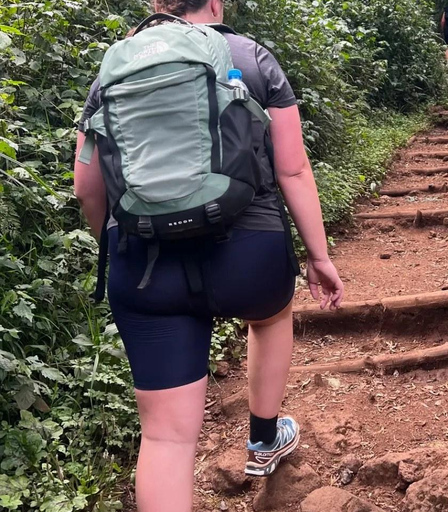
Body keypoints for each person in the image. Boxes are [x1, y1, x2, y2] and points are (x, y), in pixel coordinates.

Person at [73, 0, 344, 511]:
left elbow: (86, 188)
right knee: (270, 317)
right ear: (216, 3)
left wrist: (121, 244)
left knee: (165, 438)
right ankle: (264, 438)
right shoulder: (251, 57)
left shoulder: (116, 67)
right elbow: (292, 169)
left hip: (146, 268)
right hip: (250, 256)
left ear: (156, 6)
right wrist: (318, 255)